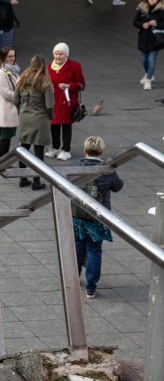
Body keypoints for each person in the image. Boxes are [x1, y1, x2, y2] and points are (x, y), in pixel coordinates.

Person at [73, 136, 123, 299]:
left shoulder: (76, 167)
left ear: (84, 150)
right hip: (99, 215)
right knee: (95, 250)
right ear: (101, 152)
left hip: (78, 214)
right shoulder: (107, 170)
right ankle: (91, 287)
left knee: (78, 246)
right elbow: (118, 186)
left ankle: (73, 278)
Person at [14, 55, 54, 190]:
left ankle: (23, 178)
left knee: (23, 149)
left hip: (25, 117)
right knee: (38, 151)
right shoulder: (45, 82)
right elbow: (49, 105)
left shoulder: (22, 79)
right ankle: (36, 181)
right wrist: (50, 116)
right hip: (40, 119)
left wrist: (22, 111)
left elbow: (16, 99)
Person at [46, 42, 86, 161]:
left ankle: (66, 149)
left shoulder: (75, 66)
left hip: (67, 101)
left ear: (66, 55)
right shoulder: (48, 67)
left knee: (66, 125)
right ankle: (55, 147)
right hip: (53, 100)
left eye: (61, 54)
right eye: (56, 54)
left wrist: (69, 86)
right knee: (54, 125)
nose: (58, 57)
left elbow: (82, 85)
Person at [0, 47, 20, 159]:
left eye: (13, 56)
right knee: (5, 137)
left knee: (7, 137)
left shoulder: (12, 69)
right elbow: (6, 93)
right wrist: (20, 98)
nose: (12, 59)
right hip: (6, 110)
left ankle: (1, 161)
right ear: (3, 57)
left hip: (11, 109)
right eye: (9, 56)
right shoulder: (0, 73)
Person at [133, 0, 164, 91]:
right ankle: (148, 73)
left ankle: (148, 80)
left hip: (155, 39)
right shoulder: (142, 9)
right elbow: (135, 22)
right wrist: (142, 25)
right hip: (143, 38)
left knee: (151, 60)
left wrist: (156, 24)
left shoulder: (161, 10)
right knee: (144, 60)